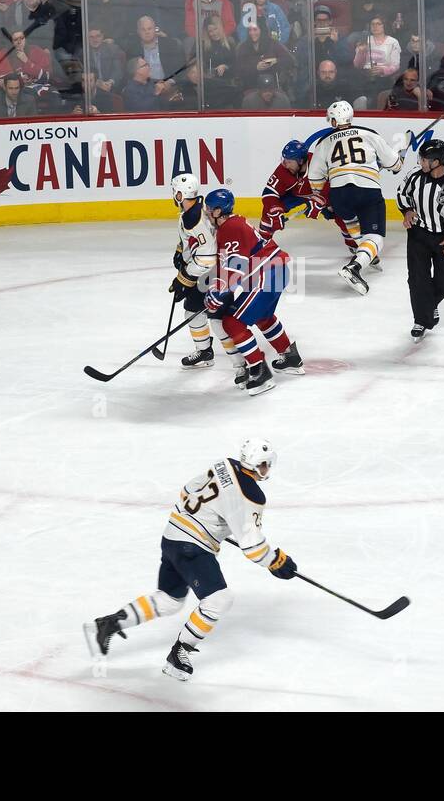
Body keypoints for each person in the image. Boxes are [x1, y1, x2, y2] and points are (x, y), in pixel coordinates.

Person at [83, 438, 297, 682]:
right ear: (260, 465)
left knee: (169, 600)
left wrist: (208, 519)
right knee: (219, 600)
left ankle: (108, 624)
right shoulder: (251, 494)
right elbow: (253, 547)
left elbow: (187, 492)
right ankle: (178, 655)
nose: (267, 470)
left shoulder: (224, 465)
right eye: (266, 465)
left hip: (172, 535)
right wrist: (277, 561)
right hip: (192, 548)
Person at [202, 187, 303, 394]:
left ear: (219, 211)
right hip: (276, 270)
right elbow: (227, 265)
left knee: (232, 322)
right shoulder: (233, 224)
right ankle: (291, 357)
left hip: (267, 274)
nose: (206, 213)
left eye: (210, 209)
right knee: (263, 316)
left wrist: (221, 289)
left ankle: (260, 371)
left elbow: (235, 263)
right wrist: (217, 287)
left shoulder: (230, 227)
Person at [305, 99, 406, 295]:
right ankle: (355, 267)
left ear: (333, 121)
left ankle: (368, 255)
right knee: (375, 237)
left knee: (353, 224)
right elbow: (394, 164)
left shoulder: (324, 143)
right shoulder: (369, 134)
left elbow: (315, 179)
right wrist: (398, 161)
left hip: (339, 194)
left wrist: (323, 195)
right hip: (367, 190)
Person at [396, 139, 444, 341]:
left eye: (425, 159)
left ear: (437, 161)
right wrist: (406, 210)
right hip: (418, 234)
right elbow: (401, 194)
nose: (421, 162)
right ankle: (421, 320)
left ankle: (429, 306)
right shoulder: (414, 175)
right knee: (417, 279)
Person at [259, 139, 356, 259]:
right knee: (269, 210)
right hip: (295, 196)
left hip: (323, 194)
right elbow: (269, 193)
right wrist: (274, 209)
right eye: (284, 160)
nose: (285, 164)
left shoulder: (319, 164)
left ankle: (354, 244)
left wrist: (321, 201)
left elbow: (336, 186)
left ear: (300, 161)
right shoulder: (283, 169)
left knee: (341, 211)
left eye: (289, 161)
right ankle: (262, 243)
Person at [167, 173, 220, 369]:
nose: (173, 195)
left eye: (175, 192)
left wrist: (184, 279)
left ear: (181, 194)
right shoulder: (194, 210)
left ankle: (211, 352)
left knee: (201, 311)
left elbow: (207, 258)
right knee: (196, 309)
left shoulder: (194, 219)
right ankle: (206, 351)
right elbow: (190, 240)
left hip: (209, 272)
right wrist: (180, 251)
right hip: (203, 270)